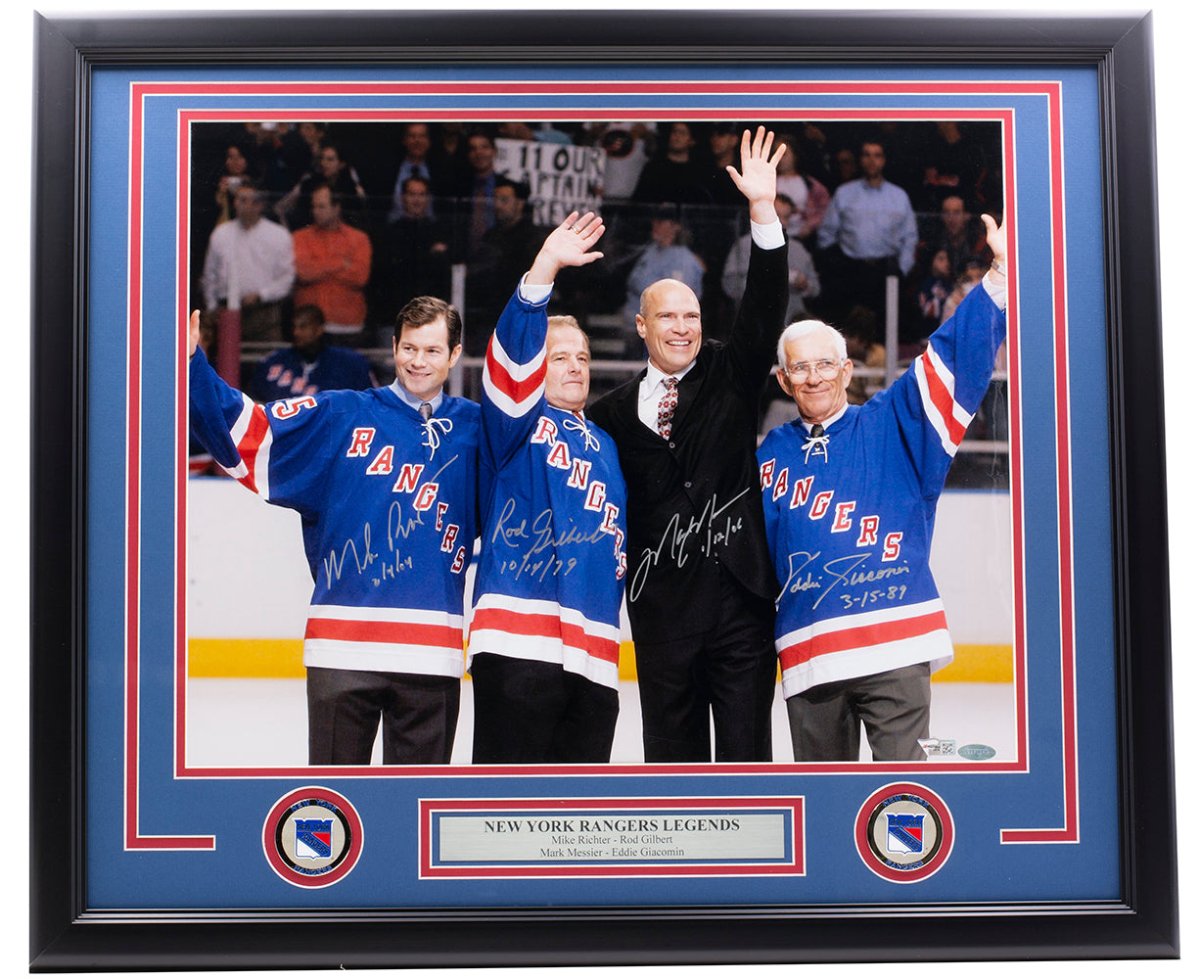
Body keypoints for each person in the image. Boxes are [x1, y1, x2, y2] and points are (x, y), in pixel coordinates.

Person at [186, 291, 480, 766]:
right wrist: (193, 363)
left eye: (431, 350)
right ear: (393, 346)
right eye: (409, 348)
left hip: (433, 652)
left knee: (416, 805)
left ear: (454, 354)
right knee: (332, 803)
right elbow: (252, 431)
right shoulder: (341, 414)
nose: (418, 361)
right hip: (343, 649)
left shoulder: (476, 429)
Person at [757, 214, 1008, 762]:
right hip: (809, 654)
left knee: (906, 798)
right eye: (800, 368)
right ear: (783, 380)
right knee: (824, 800)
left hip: (894, 644)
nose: (814, 377)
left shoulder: (894, 422)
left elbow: (951, 359)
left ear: (847, 370)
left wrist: (998, 277)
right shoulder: (768, 453)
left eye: (826, 364)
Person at [588, 127, 788, 763]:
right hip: (661, 613)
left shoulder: (731, 372)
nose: (683, 327)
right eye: (668, 316)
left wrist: (763, 211)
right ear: (641, 325)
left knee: (746, 762)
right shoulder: (607, 416)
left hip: (740, 608)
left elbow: (764, 306)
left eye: (693, 315)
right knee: (671, 767)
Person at [468, 212, 627, 763]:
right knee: (504, 803)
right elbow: (512, 361)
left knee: (579, 807)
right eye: (559, 358)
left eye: (582, 358)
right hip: (518, 644)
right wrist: (544, 270)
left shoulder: (607, 446)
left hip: (594, 656)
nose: (575, 367)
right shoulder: (515, 422)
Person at [200, 180, 294, 344]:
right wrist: (212, 307)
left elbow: (287, 278)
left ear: (259, 205)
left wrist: (261, 295)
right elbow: (210, 276)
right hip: (226, 312)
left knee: (265, 357)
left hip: (265, 313)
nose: (238, 204)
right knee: (225, 358)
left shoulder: (278, 235)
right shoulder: (221, 234)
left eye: (244, 200)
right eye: (237, 199)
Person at [291, 185, 372, 343]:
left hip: (348, 325)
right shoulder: (299, 237)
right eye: (313, 206)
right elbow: (303, 273)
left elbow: (360, 277)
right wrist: (341, 262)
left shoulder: (359, 239)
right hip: (309, 327)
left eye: (321, 207)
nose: (315, 211)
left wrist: (319, 266)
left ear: (336, 208)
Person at [249, 304, 376, 404]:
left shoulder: (350, 363)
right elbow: (255, 402)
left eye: (303, 327)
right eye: (294, 327)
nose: (296, 333)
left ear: (319, 329)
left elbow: (371, 402)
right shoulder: (273, 361)